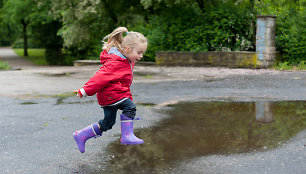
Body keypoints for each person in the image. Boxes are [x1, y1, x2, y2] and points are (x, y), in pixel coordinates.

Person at [73, 27, 147, 153]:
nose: (141, 56)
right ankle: (127, 135)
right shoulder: (116, 62)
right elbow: (100, 77)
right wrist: (85, 90)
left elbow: (123, 85)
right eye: (139, 52)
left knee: (108, 123)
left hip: (112, 96)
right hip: (111, 95)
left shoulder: (125, 59)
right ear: (128, 49)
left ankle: (81, 135)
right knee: (130, 107)